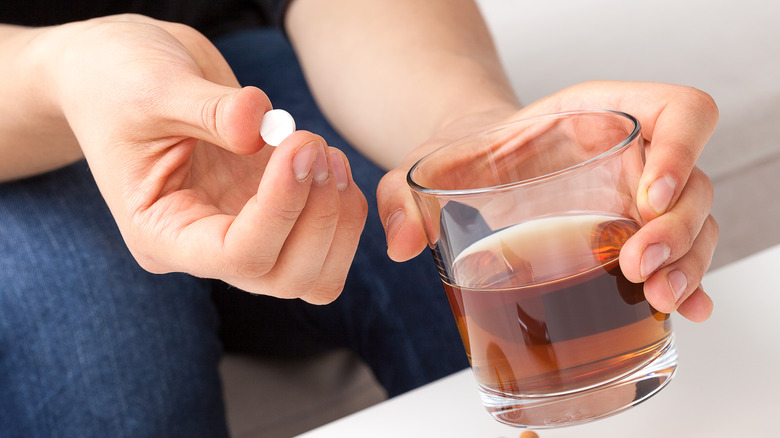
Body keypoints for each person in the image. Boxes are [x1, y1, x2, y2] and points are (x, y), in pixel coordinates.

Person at [0, 1, 718, 437]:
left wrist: (467, 131)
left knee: (432, 247)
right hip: (18, 117)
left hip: (226, 63)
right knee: (95, 326)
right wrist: (64, 71)